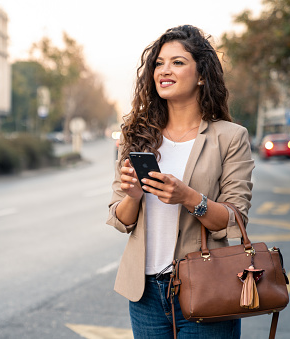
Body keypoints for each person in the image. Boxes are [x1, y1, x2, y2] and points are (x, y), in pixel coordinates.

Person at [106, 25, 254, 338]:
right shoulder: (137, 135)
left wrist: (190, 197)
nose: (164, 70)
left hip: (206, 285)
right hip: (145, 293)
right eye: (159, 63)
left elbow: (234, 218)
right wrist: (133, 196)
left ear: (201, 75)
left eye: (177, 62)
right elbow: (120, 220)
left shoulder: (229, 137)